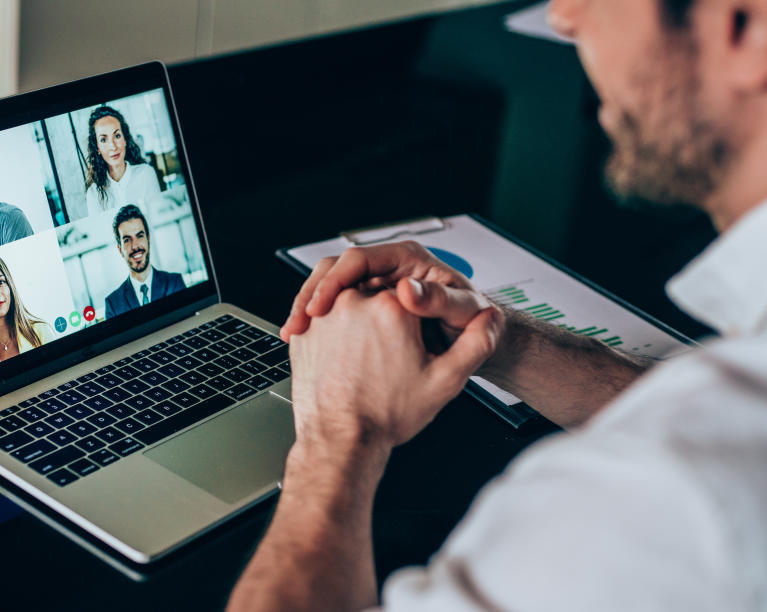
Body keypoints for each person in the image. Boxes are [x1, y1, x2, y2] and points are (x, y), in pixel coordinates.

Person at [227, 0, 767, 610]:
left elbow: (700, 444)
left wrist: (338, 437)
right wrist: (501, 337)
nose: (563, 16)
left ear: (744, 28)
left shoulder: (657, 502)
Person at [104, 205, 185, 318]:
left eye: (140, 236)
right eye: (127, 240)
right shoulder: (113, 304)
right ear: (120, 249)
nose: (135, 246)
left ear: (148, 239)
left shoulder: (174, 283)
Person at [84, 105, 162, 218]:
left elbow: (158, 217)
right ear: (97, 148)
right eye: (103, 139)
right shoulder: (93, 194)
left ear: (125, 139)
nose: (113, 146)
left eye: (117, 136)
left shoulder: (146, 173)